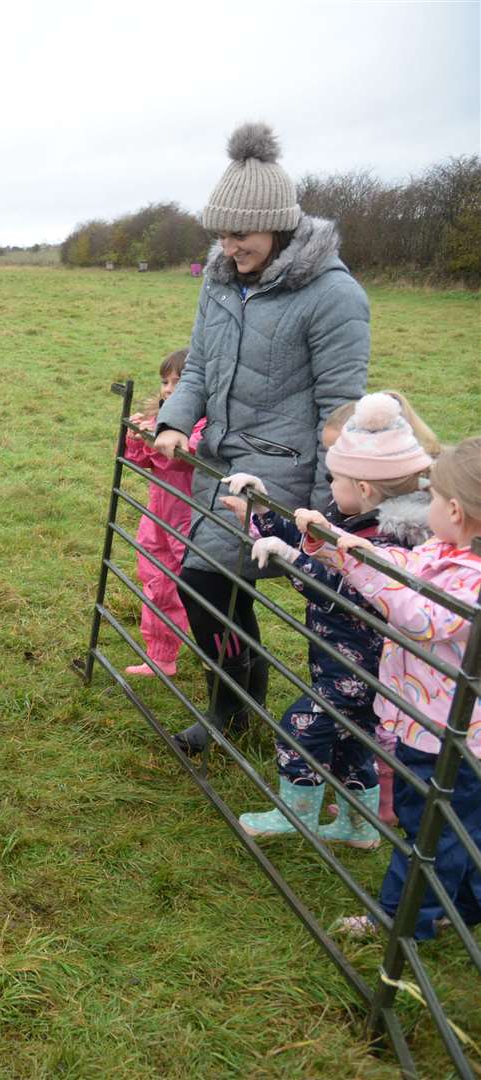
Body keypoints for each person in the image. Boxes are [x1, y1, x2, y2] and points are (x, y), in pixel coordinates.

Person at [153, 122, 369, 754]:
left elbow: (342, 408)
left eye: (239, 234)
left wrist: (334, 506)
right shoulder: (220, 278)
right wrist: (172, 421)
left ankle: (233, 705)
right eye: (219, 232)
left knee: (204, 582)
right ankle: (241, 694)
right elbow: (198, 365)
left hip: (280, 468)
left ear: (277, 227)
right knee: (212, 586)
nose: (227, 245)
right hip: (217, 458)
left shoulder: (333, 295)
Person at [227, 394, 435, 847]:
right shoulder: (355, 519)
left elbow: (345, 590)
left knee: (299, 728)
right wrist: (262, 508)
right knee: (350, 745)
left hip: (363, 669)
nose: (327, 484)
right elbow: (310, 546)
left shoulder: (390, 544)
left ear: (363, 487)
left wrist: (290, 560)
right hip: (338, 660)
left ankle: (294, 814)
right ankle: (358, 826)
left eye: (333, 477)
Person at [295, 436, 481, 941]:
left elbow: (421, 616)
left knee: (430, 835)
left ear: (457, 511)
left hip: (451, 739)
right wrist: (342, 546)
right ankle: (461, 908)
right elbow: (404, 569)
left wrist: (363, 566)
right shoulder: (445, 550)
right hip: (433, 724)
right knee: (455, 829)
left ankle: (402, 925)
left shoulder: (475, 580)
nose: (427, 504)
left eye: (435, 497)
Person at [122, 348, 205, 678]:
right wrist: (137, 438)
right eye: (164, 381)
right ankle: (161, 656)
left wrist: (156, 437)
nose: (169, 389)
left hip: (190, 521)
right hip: (158, 517)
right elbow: (143, 461)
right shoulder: (163, 420)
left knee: (196, 589)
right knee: (156, 581)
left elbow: (181, 455)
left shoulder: (203, 425)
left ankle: (212, 648)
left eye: (179, 381)